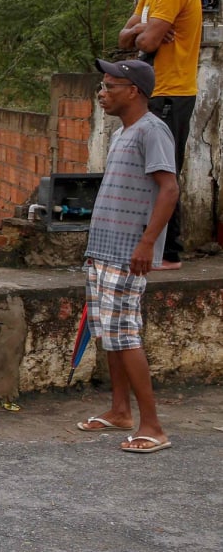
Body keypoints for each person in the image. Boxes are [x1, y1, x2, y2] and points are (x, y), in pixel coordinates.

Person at [75, 60, 178, 454]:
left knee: (126, 335)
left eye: (110, 86)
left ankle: (153, 426)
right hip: (103, 250)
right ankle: (120, 411)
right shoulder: (123, 133)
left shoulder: (153, 131)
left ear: (133, 90)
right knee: (111, 335)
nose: (102, 93)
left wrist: (146, 244)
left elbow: (169, 190)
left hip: (126, 252)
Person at [117, 0, 199, 268]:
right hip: (156, 90)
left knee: (163, 170)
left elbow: (148, 44)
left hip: (173, 92)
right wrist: (143, 30)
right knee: (144, 169)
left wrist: (144, 33)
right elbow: (127, 40)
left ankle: (169, 252)